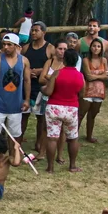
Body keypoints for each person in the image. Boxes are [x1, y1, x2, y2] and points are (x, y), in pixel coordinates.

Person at [0, 33, 31, 165]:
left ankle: (13, 155)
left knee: (15, 133)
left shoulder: (24, 61)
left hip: (16, 105)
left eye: (9, 45)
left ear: (16, 46)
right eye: (4, 44)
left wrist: (27, 100)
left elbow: (27, 81)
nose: (6, 47)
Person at [40, 43, 84, 173]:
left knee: (52, 138)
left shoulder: (57, 73)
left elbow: (48, 91)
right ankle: (72, 165)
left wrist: (42, 89)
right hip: (71, 108)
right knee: (73, 138)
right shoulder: (80, 76)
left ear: (64, 60)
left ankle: (50, 167)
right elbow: (82, 94)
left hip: (54, 107)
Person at [22, 21, 50, 158]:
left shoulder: (50, 48)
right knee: (24, 114)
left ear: (43, 32)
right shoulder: (26, 48)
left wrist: (40, 72)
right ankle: (18, 140)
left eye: (36, 30)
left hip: (41, 87)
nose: (33, 33)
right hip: (27, 86)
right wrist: (27, 72)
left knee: (41, 117)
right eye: (32, 30)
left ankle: (39, 142)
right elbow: (20, 62)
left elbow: (53, 65)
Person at [80, 38, 108, 144]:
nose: (96, 48)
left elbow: (107, 77)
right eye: (94, 46)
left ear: (101, 48)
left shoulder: (104, 60)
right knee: (81, 114)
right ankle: (73, 136)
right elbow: (88, 76)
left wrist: (94, 75)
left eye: (98, 46)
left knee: (93, 115)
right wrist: (101, 75)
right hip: (87, 91)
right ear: (90, 47)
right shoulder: (85, 60)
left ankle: (89, 136)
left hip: (99, 92)